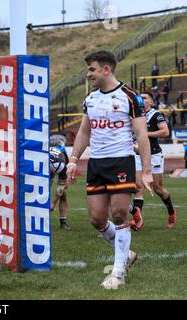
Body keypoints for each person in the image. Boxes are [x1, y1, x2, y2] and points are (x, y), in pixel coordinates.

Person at [66, 51, 153, 290]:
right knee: (96, 219)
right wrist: (73, 159)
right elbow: (85, 132)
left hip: (120, 162)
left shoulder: (130, 97)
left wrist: (146, 170)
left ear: (106, 69)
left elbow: (141, 134)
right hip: (97, 163)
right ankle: (128, 254)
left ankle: (118, 272)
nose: (89, 74)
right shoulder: (91, 98)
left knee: (119, 215)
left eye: (92, 69)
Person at [129, 91, 177, 230]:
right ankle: (137, 220)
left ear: (151, 102)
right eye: (140, 98)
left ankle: (171, 212)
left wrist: (144, 134)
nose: (142, 100)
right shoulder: (134, 115)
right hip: (137, 154)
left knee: (158, 188)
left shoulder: (155, 115)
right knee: (138, 186)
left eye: (145, 98)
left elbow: (165, 132)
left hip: (154, 155)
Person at [49, 146, 70, 230]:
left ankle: (63, 222)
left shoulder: (61, 166)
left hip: (56, 163)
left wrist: (53, 204)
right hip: (50, 162)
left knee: (63, 194)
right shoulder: (40, 161)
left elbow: (61, 186)